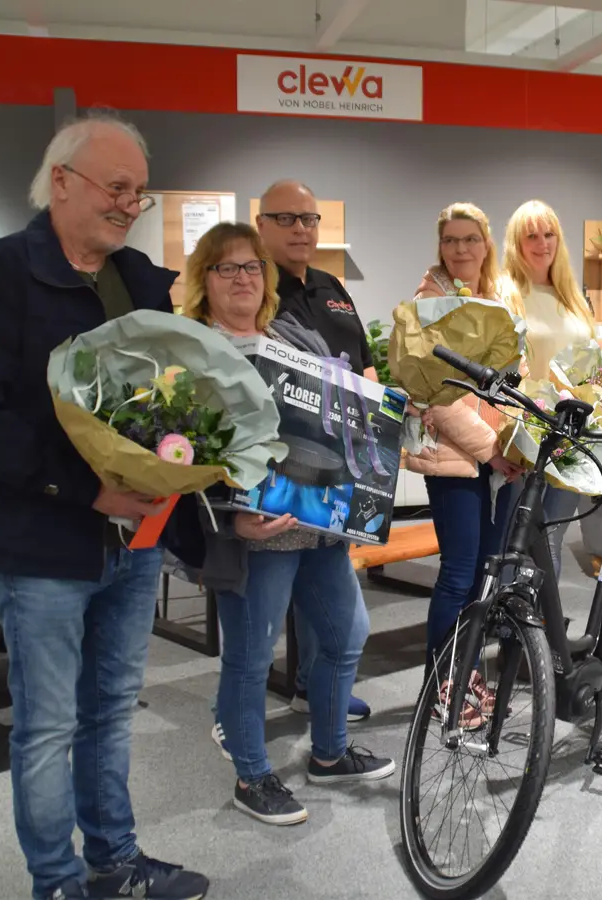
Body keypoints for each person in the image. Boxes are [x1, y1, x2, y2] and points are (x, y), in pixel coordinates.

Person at [0, 113, 211, 900]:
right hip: (40, 545)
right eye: (116, 188)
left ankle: (114, 863)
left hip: (135, 541)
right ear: (61, 182)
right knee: (47, 728)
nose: (129, 205)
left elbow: (186, 398)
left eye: (139, 194)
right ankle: (55, 883)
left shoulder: (145, 281)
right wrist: (86, 488)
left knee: (111, 715)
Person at [183, 221, 394, 828]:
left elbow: (344, 407)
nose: (243, 278)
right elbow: (178, 450)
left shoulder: (290, 333)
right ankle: (252, 774)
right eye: (228, 268)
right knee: (250, 658)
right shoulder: (192, 348)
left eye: (252, 267)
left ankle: (328, 752)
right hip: (255, 531)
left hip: (320, 522)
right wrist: (229, 519)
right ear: (205, 280)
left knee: (344, 634)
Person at [253, 178, 372, 721]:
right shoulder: (254, 286)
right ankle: (238, 718)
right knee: (261, 618)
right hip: (279, 473)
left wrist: (381, 415)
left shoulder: (332, 288)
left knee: (332, 603)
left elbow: (364, 367)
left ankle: (316, 685)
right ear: (262, 224)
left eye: (309, 219)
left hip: (338, 466)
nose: (301, 229)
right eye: (287, 218)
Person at [403, 202, 525, 725]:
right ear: (440, 246)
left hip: (500, 462)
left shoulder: (498, 298)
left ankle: (468, 678)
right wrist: (492, 448)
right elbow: (432, 396)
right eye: (451, 240)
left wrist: (517, 444)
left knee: (484, 576)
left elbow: (510, 380)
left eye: (470, 239)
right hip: (457, 459)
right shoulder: (425, 306)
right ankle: (442, 686)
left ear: (485, 244)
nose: (460, 250)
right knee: (457, 575)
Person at [492, 199, 597, 579]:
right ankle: (510, 629)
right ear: (516, 243)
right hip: (524, 435)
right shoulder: (505, 291)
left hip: (571, 436)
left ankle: (537, 627)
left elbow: (589, 364)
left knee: (550, 537)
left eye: (549, 233)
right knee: (515, 538)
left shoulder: (573, 297)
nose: (542, 243)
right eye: (531, 235)